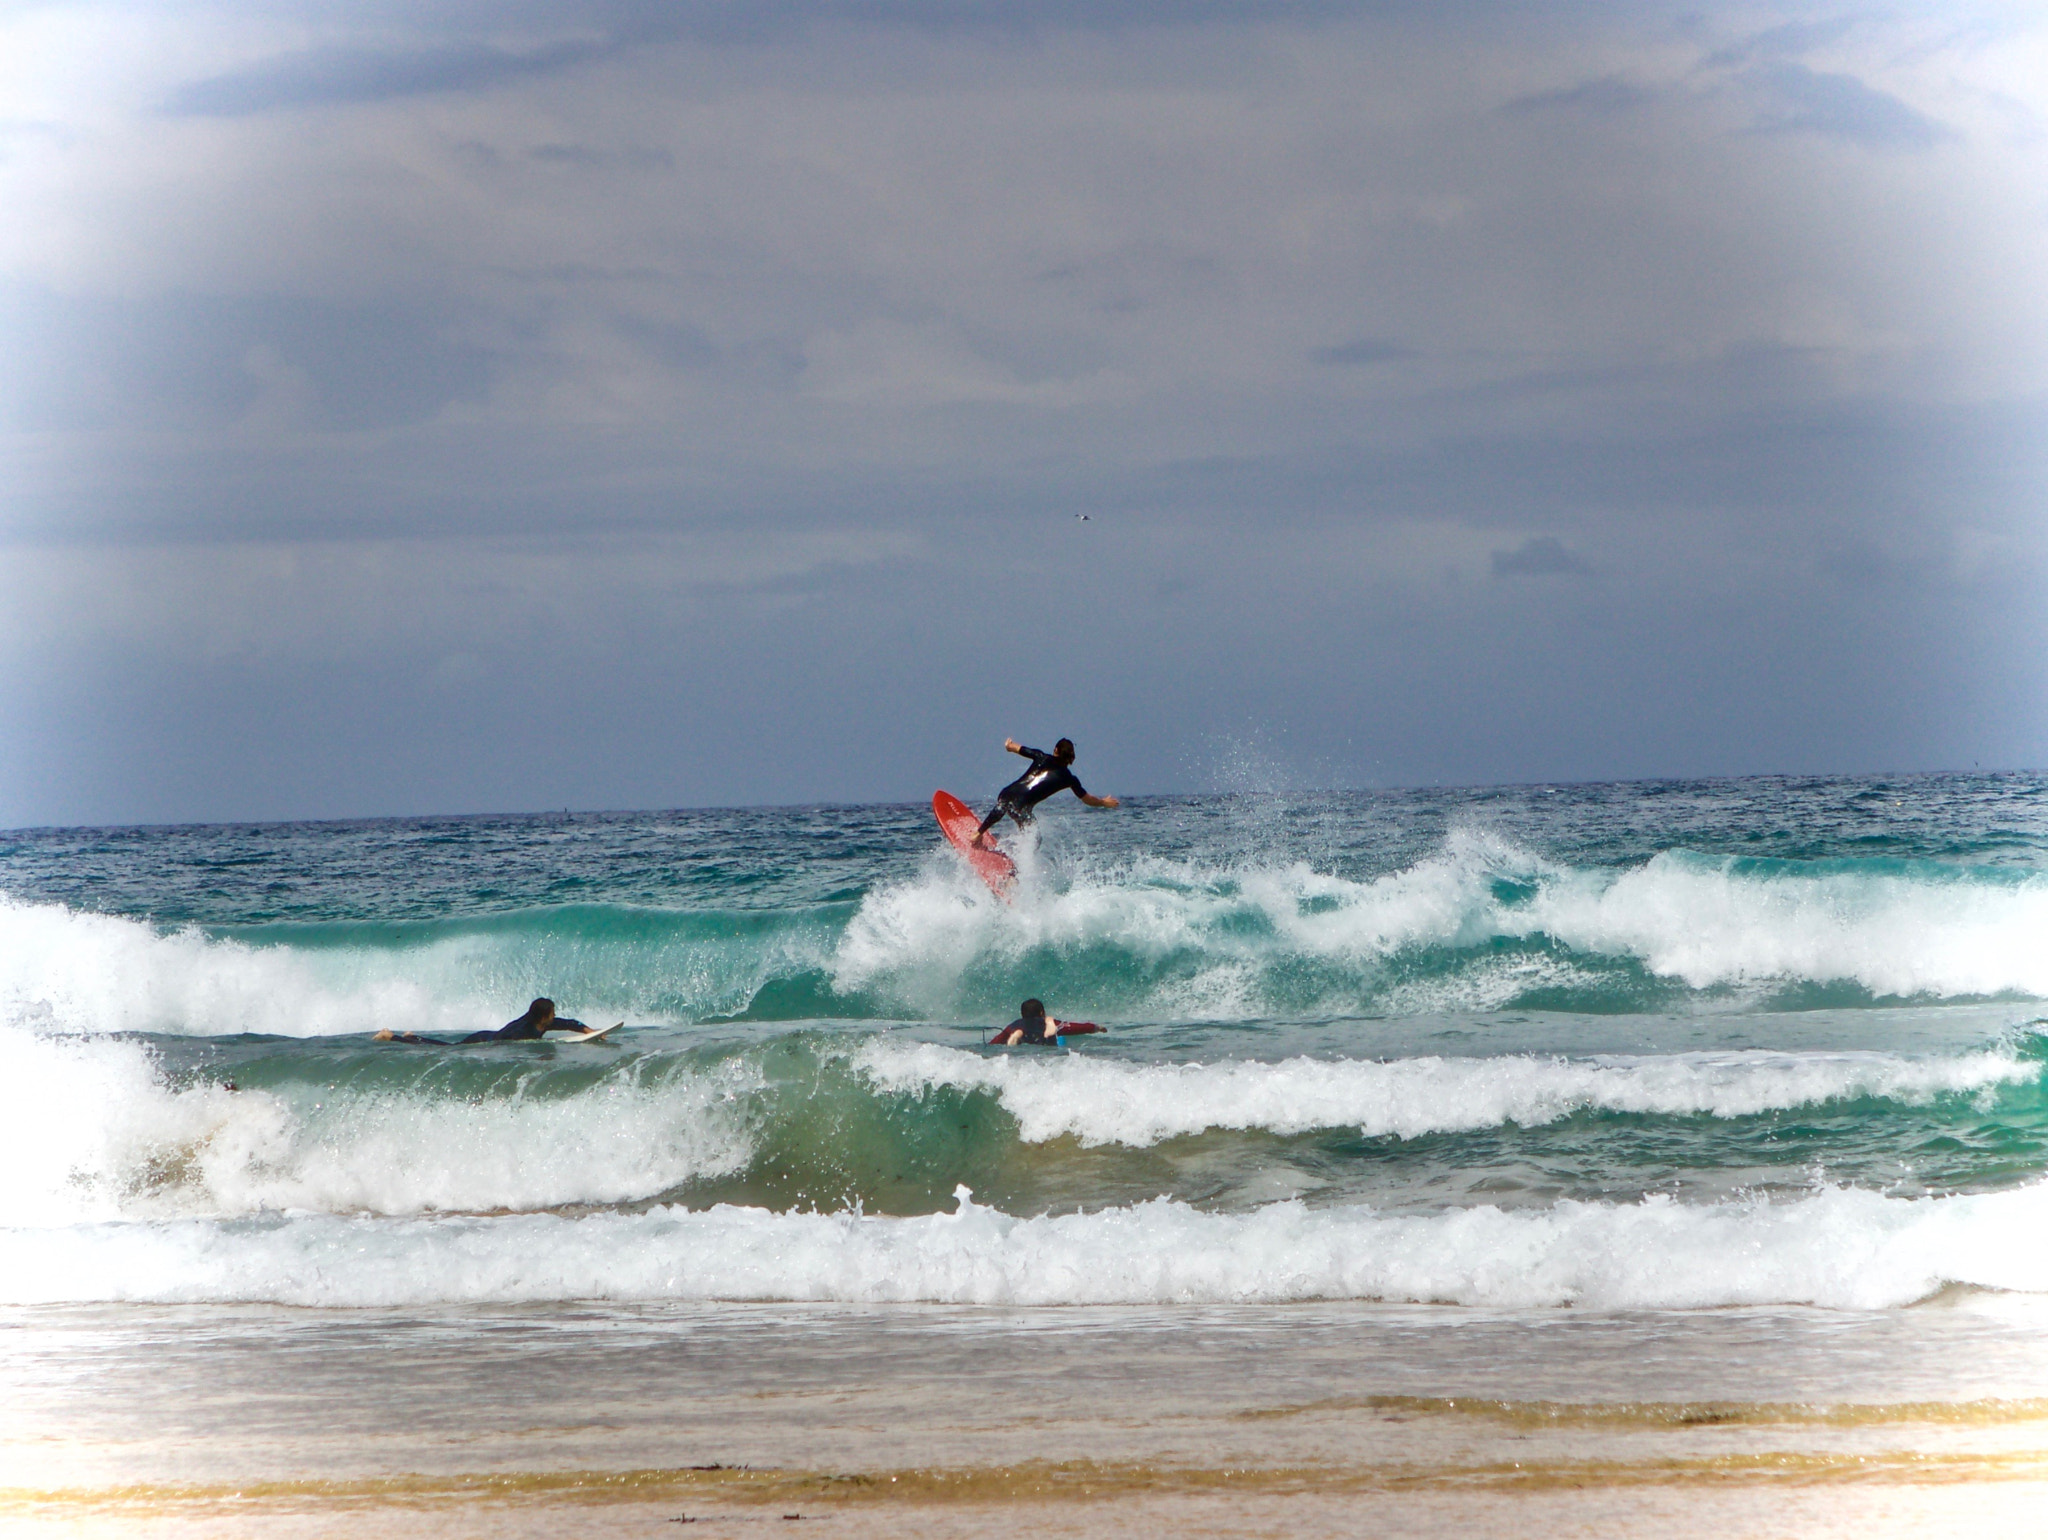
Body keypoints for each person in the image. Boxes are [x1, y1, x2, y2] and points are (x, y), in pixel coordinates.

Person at [974, 737, 1120, 845]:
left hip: (1005, 794)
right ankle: (1011, 863)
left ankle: (978, 833)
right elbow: (1087, 799)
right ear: (1070, 757)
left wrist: (1008, 744)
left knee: (1005, 805)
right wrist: (1102, 802)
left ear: (1056, 750)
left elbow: (1014, 747)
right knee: (1034, 840)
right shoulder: (1069, 778)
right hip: (1021, 808)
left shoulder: (1040, 756)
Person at [374, 997, 590, 1045]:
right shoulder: (522, 1030)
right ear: (544, 1016)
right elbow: (504, 1044)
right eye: (552, 1012)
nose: (554, 1016)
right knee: (447, 1049)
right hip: (484, 1040)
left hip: (488, 1035)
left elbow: (568, 1023)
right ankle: (392, 1036)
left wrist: (588, 1030)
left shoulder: (543, 1022)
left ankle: (411, 1036)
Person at [989, 998, 1104, 1047]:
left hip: (1023, 1052)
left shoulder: (1015, 1025)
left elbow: (995, 1042)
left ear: (1023, 1014)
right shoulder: (1047, 1023)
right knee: (1050, 1030)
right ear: (1041, 1012)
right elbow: (1074, 1027)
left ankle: (1017, 1036)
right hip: (1045, 1050)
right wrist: (1095, 1027)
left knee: (1019, 1037)